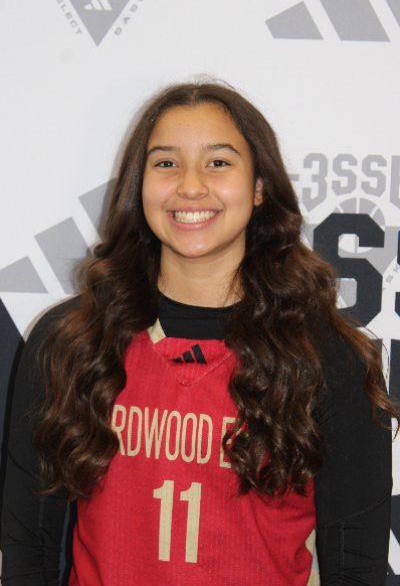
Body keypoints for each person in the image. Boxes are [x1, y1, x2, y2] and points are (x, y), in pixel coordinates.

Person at [1, 81, 398, 586]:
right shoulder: (70, 342)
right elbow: (28, 553)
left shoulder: (328, 358)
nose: (190, 186)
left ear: (259, 187)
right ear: (139, 186)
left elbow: (357, 569)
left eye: (218, 162)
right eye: (166, 163)